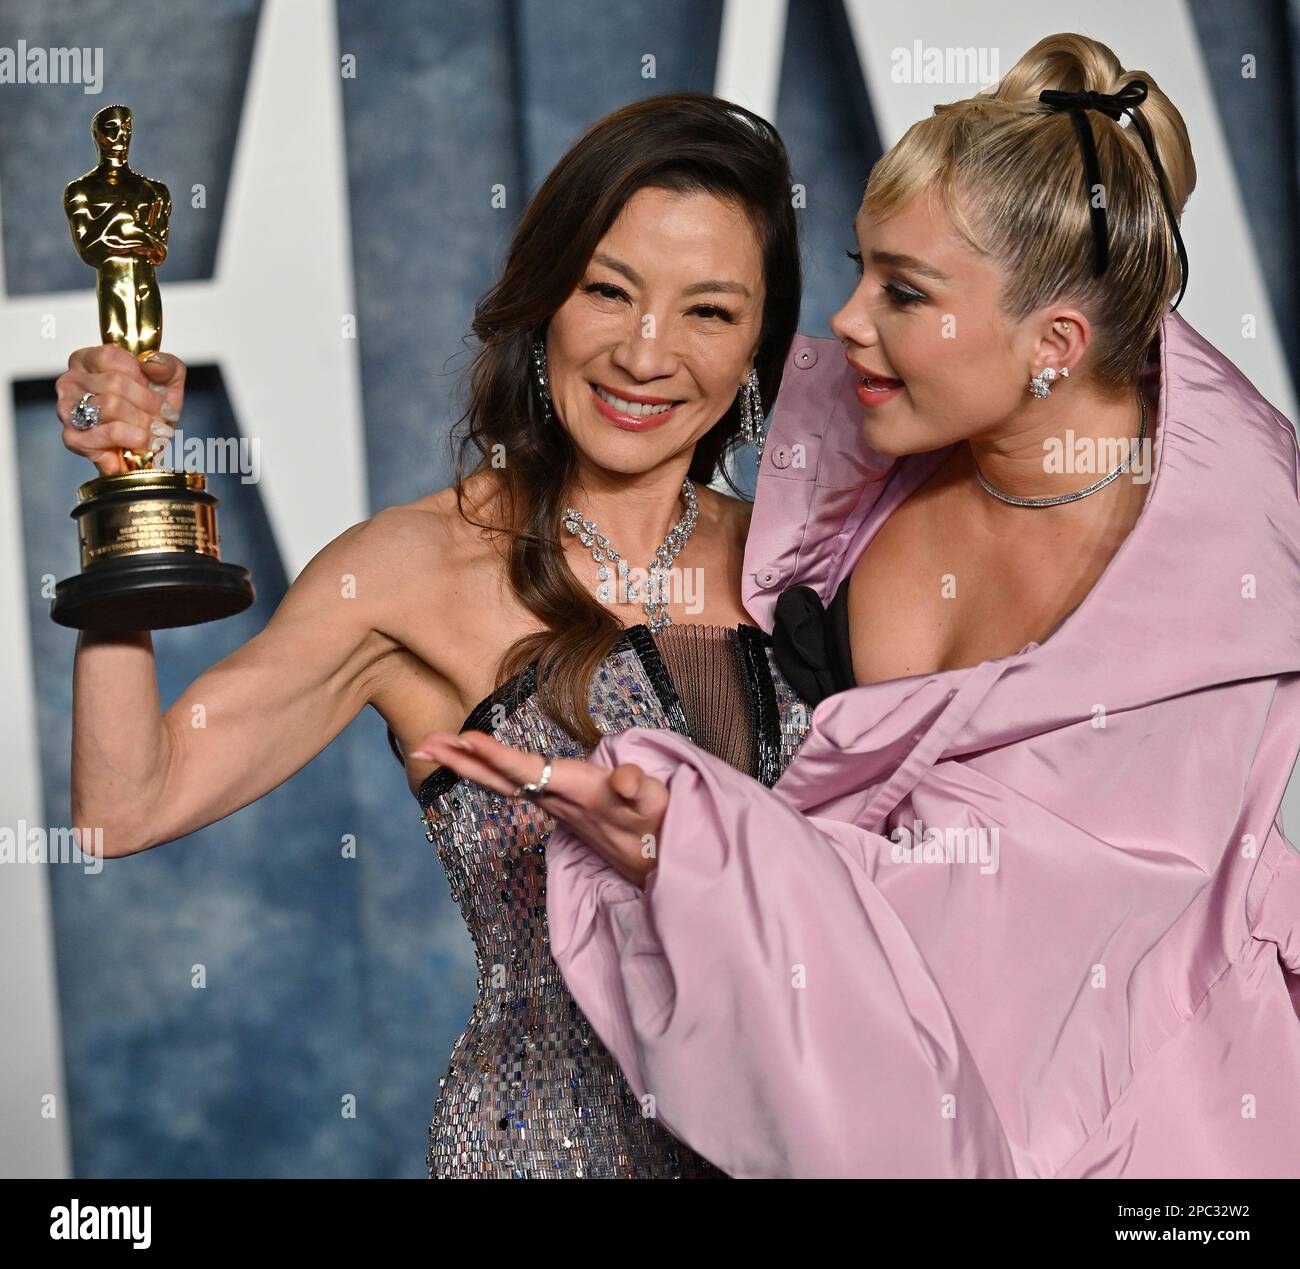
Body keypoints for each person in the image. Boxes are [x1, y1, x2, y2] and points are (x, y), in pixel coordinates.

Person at [414, 34, 1300, 1178]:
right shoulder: (855, 476)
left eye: (904, 292)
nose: (843, 323)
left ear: (1055, 345)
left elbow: (1019, 973)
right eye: (858, 267)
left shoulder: (1205, 592)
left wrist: (698, 846)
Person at [55, 94, 812, 1178]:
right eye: (607, 291)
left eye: (708, 311)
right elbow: (126, 806)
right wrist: (121, 499)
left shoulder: (806, 562)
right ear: (545, 297)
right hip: (545, 1150)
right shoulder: (408, 568)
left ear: (756, 350)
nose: (646, 354)